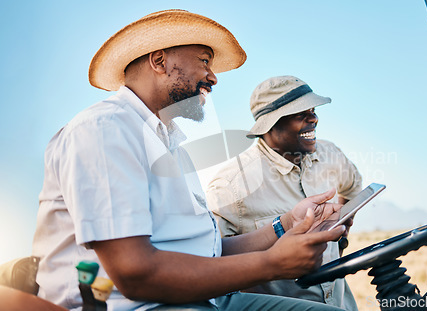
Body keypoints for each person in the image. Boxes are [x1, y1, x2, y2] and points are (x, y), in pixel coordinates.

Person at [31, 10, 349, 311]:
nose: (213, 77)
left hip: (208, 299)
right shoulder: (104, 131)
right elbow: (135, 274)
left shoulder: (171, 145)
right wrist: (271, 265)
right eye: (204, 61)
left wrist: (286, 224)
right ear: (159, 61)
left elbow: (207, 252)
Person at [206, 76, 362, 310]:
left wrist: (342, 230)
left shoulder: (330, 153)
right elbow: (213, 262)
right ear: (270, 124)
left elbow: (353, 188)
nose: (314, 119)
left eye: (313, 110)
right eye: (301, 114)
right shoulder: (231, 185)